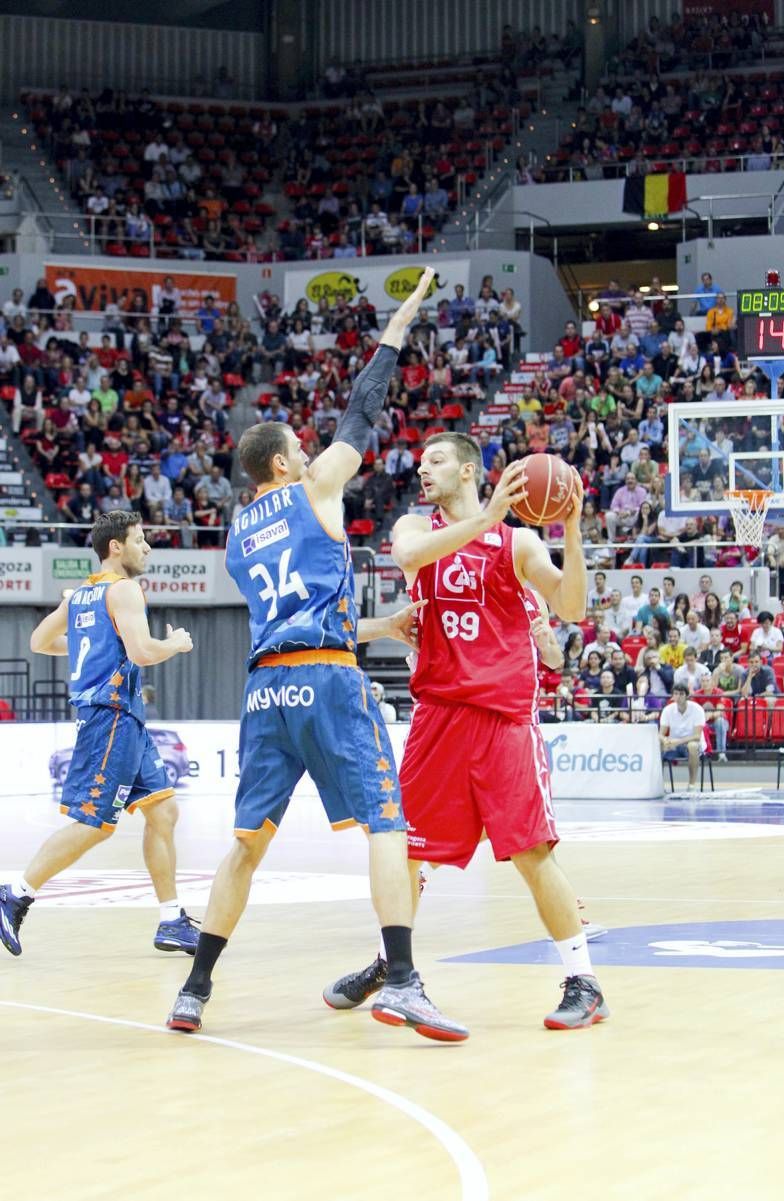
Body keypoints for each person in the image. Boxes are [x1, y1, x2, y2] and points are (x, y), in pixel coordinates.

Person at [166, 268, 469, 1042]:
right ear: (280, 465)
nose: (312, 453)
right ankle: (401, 980)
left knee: (245, 846)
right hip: (329, 685)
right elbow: (363, 408)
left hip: (267, 690)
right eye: (299, 449)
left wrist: (375, 626)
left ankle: (195, 988)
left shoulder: (238, 535)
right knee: (387, 825)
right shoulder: (313, 489)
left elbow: (290, 615)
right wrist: (399, 323)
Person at [324, 432, 609, 1030]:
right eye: (422, 462)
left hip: (504, 717)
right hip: (437, 716)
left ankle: (585, 981)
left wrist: (574, 528)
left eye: (437, 460)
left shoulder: (519, 542)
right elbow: (408, 558)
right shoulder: (413, 529)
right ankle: (392, 965)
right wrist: (485, 517)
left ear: (470, 469)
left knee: (532, 853)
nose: (423, 469)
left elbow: (574, 608)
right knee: (400, 849)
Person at [0, 512, 197, 957]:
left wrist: (94, 639)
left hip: (126, 718)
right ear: (115, 547)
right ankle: (15, 892)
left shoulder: (82, 596)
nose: (147, 547)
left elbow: (39, 642)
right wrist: (177, 643)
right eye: (140, 540)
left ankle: (172, 920)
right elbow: (145, 652)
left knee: (163, 813)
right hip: (109, 718)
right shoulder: (125, 589)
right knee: (94, 825)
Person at [660, 684, 706, 790]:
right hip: (674, 744)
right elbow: (660, 734)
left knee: (693, 746)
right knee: (658, 745)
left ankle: (691, 785)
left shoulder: (697, 709)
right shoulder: (667, 710)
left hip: (691, 742)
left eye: (681, 694)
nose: (679, 696)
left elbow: (697, 736)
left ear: (687, 696)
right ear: (672, 696)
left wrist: (678, 742)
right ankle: (659, 784)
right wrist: (664, 740)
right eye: (676, 694)